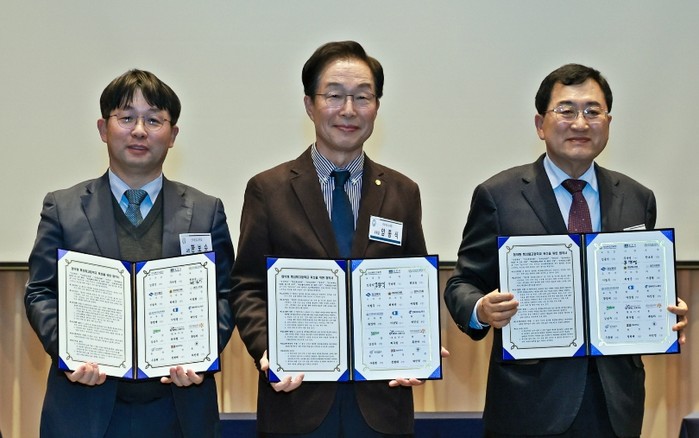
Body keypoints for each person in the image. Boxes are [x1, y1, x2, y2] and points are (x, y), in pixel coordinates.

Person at [444, 63, 688, 438]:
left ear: (608, 122)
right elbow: (462, 283)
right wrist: (481, 309)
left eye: (593, 111)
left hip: (615, 403)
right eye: (567, 111)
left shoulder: (638, 198)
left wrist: (664, 309)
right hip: (530, 403)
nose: (580, 123)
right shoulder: (499, 196)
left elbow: (640, 281)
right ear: (540, 124)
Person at [230, 40, 440, 437]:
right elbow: (247, 286)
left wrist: (421, 342)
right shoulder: (268, 190)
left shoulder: (403, 192)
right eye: (334, 96)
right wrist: (268, 349)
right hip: (296, 402)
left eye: (362, 97)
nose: (348, 110)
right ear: (310, 105)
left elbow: (414, 284)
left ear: (376, 107)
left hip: (382, 405)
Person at [24, 69, 235, 438]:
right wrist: (69, 352)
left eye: (153, 120)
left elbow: (226, 294)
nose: (139, 131)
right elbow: (41, 292)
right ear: (103, 129)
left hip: (179, 408)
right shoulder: (63, 207)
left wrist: (201, 353)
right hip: (84, 407)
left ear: (173, 135)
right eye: (126, 118)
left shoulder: (206, 211)